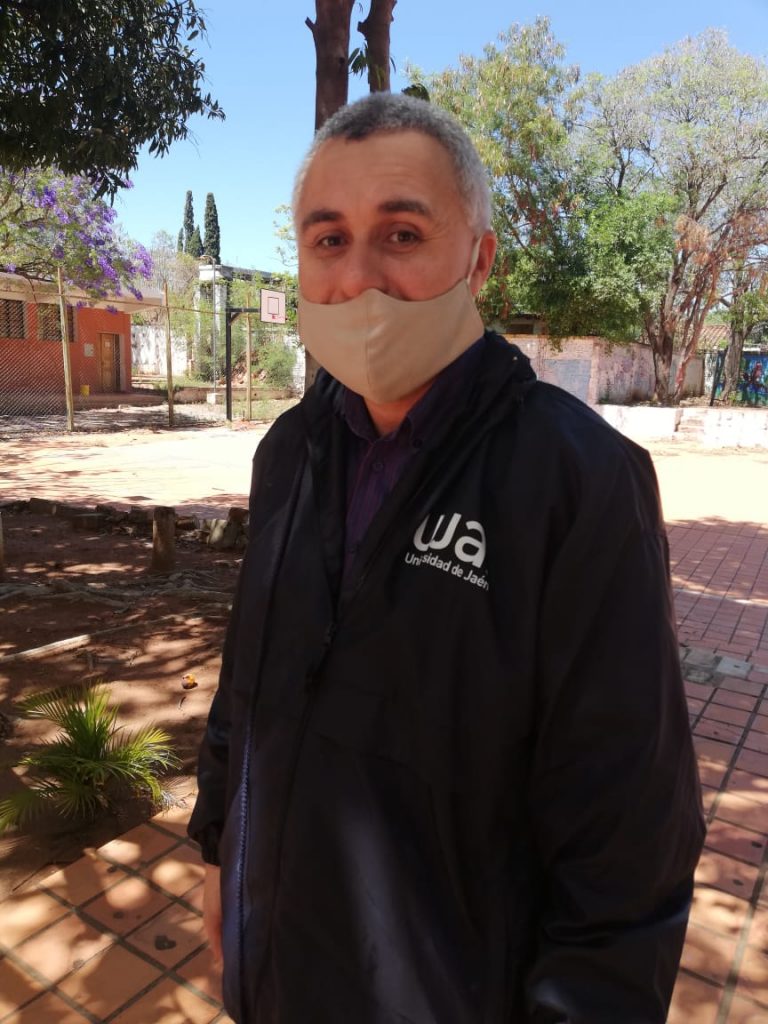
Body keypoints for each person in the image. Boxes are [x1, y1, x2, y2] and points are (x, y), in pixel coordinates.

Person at [189, 93, 704, 1024]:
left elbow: (630, 842)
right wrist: (221, 857)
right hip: (278, 976)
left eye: (402, 233)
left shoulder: (577, 481)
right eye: (330, 240)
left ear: (479, 257)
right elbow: (249, 685)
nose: (360, 279)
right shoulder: (288, 455)